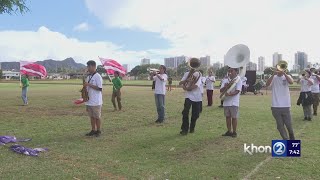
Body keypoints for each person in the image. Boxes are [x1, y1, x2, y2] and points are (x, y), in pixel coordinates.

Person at [266, 69, 295, 140]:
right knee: (280, 126)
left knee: (289, 125)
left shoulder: (287, 76)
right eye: (278, 68)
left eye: (281, 68)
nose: (279, 70)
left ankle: (291, 135)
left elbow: (291, 82)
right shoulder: (273, 77)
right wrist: (273, 74)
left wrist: (284, 73)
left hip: (286, 105)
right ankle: (286, 139)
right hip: (275, 106)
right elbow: (267, 84)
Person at [179, 58, 202, 135]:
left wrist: (188, 88)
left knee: (195, 114)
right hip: (188, 96)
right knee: (185, 112)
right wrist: (186, 81)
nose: (193, 66)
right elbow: (181, 83)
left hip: (197, 97)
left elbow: (196, 85)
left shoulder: (198, 74)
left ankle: (192, 127)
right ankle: (184, 129)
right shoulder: (186, 74)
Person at [220, 67, 242, 138]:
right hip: (226, 102)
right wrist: (225, 87)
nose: (230, 72)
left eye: (231, 71)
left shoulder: (238, 80)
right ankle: (229, 131)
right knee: (227, 117)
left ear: (236, 72)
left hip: (234, 102)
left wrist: (229, 94)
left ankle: (234, 132)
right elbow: (221, 90)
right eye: (229, 71)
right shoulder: (226, 80)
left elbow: (238, 91)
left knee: (234, 117)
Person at [84, 60, 103, 137]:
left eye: (89, 66)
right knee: (91, 117)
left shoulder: (98, 76)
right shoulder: (88, 76)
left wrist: (89, 84)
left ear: (93, 66)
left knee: (97, 117)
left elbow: (100, 88)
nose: (88, 68)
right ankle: (93, 130)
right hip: (89, 101)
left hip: (96, 101)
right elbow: (86, 86)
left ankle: (98, 131)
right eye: (87, 66)